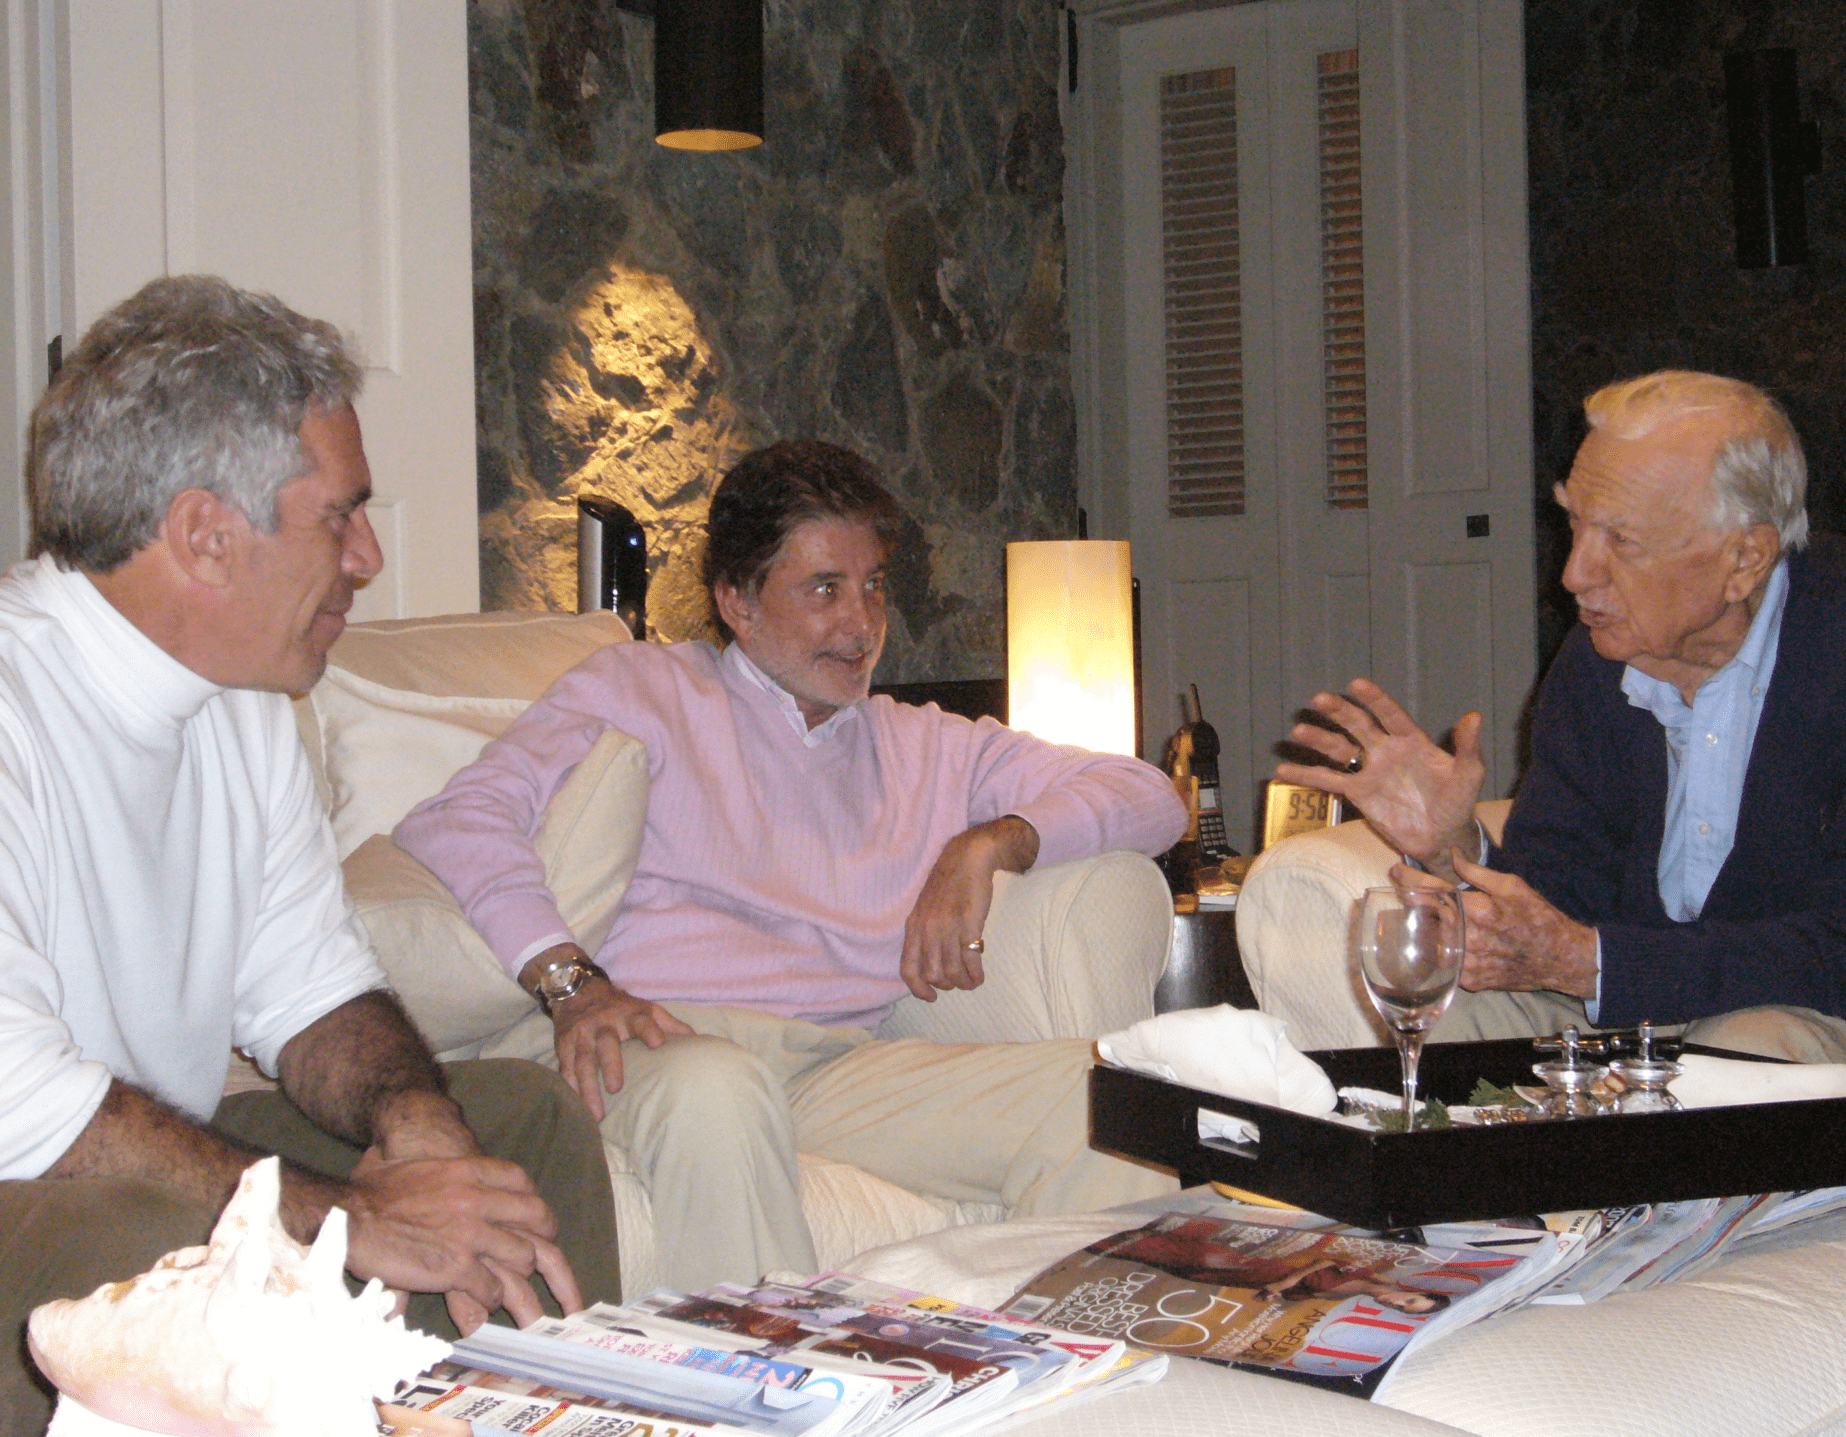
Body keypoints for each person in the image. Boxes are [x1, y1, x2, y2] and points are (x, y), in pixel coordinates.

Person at [0, 276, 620, 1434]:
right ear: (205, 536)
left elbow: (310, 985)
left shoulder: (238, 699)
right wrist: (351, 1216)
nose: (369, 556)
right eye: (340, 517)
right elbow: (19, 1105)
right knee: (151, 1236)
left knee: (517, 1127)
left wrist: (417, 1125)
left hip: (110, 1172)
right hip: (26, 1194)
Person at [395, 438, 1189, 1290]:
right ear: (737, 600)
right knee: (718, 1086)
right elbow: (459, 819)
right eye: (824, 589)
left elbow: (1152, 796)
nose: (861, 623)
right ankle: (757, 1367)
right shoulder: (643, 688)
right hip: (655, 1043)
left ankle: (1082, 1363)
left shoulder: (923, 745)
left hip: (831, 1067)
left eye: (873, 585)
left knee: (1108, 1097)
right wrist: (570, 981)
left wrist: (995, 839)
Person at [1275, 369, 1846, 1075]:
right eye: (1575, 522)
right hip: (1652, 1004)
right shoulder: (1600, 659)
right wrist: (1459, 850)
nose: (1575, 573)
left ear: (1745, 558)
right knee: (1422, 997)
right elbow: (1564, 897)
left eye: (1621, 539)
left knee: (1743, 1055)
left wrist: (1596, 964)